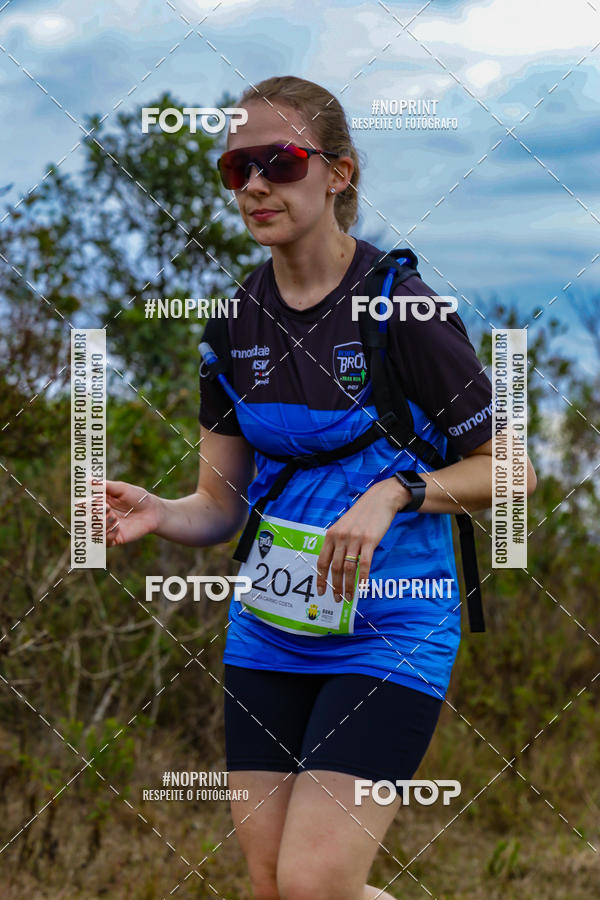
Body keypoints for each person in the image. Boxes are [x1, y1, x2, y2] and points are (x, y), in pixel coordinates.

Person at [106, 75, 537, 900]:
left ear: (338, 173)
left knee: (314, 884)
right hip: (270, 625)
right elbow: (221, 504)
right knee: (273, 889)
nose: (257, 184)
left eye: (281, 160)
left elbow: (509, 469)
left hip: (393, 625)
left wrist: (394, 494)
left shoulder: (400, 308)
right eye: (238, 169)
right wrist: (161, 514)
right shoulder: (232, 326)